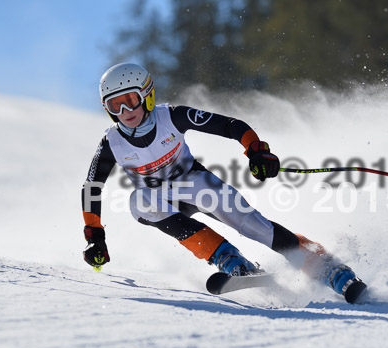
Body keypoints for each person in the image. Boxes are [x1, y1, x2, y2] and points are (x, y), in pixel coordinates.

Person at [81, 63, 366, 303]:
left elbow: (230, 125)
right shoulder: (112, 142)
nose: (125, 111)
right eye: (114, 105)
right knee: (139, 202)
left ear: (147, 95)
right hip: (159, 199)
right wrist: (95, 236)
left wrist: (256, 151)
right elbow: (91, 187)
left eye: (130, 100)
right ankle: (231, 261)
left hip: (196, 184)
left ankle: (330, 270)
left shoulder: (172, 116)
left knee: (255, 227)